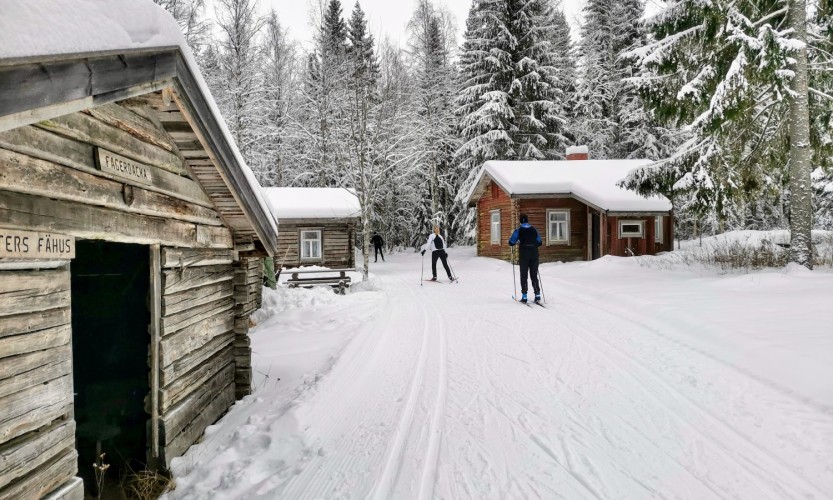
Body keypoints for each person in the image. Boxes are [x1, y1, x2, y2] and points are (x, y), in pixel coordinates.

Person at [508, 214, 542, 303]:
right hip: (534, 254)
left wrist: (515, 242)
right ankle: (537, 294)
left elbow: (511, 242)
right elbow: (539, 242)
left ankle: (524, 296)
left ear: (520, 221)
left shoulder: (519, 230)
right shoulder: (534, 229)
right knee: (534, 274)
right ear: (527, 220)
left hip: (524, 255)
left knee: (524, 275)